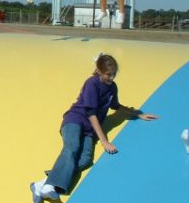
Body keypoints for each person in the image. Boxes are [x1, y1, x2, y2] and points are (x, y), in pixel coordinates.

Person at [30, 53, 159, 203]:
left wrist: (137, 114)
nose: (111, 78)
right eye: (108, 74)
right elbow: (91, 114)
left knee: (85, 159)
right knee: (72, 148)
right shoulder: (92, 83)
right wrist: (104, 141)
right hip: (75, 120)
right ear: (99, 70)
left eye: (114, 75)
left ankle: (41, 185)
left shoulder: (112, 87)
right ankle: (50, 186)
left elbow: (115, 106)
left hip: (89, 130)